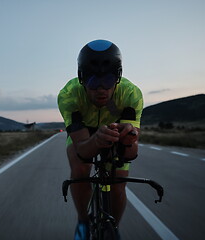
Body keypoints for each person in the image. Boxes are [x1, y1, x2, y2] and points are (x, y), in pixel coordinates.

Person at [58, 39, 143, 240]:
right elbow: (82, 150)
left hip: (115, 132)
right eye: (93, 81)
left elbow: (132, 153)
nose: (101, 89)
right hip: (84, 135)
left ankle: (112, 227)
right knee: (79, 169)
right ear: (81, 78)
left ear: (118, 77)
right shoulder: (69, 95)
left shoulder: (131, 94)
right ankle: (83, 221)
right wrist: (95, 141)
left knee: (118, 181)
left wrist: (128, 138)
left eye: (108, 80)